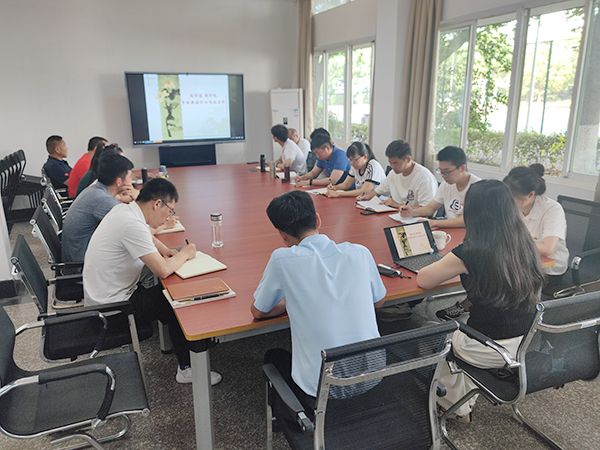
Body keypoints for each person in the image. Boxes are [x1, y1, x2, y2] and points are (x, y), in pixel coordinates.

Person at [417, 180, 544, 419]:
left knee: (426, 330)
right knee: (465, 327)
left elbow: (424, 279)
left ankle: (454, 403)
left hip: (490, 346)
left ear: (473, 213)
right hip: (528, 341)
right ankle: (465, 388)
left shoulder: (471, 250)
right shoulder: (525, 244)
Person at [83, 178, 222, 385]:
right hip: (112, 311)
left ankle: (192, 345)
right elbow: (163, 270)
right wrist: (185, 253)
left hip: (103, 299)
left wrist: (166, 251)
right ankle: (188, 368)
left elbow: (148, 236)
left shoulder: (125, 211)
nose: (169, 218)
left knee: (166, 296)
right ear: (157, 204)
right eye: (170, 211)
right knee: (179, 301)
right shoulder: (131, 223)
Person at [251, 190, 386, 402]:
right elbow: (379, 301)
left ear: (283, 234)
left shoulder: (282, 260)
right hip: (374, 376)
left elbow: (259, 311)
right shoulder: (359, 252)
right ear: (317, 219)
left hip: (322, 390)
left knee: (273, 356)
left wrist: (291, 302)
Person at [62, 152, 135, 264]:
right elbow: (133, 226)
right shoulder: (102, 200)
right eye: (130, 176)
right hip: (82, 262)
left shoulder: (95, 189)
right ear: (119, 181)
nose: (131, 181)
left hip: (78, 253)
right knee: (140, 256)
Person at [503, 164, 569, 289]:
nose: (508, 202)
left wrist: (511, 242)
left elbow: (547, 248)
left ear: (530, 195)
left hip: (547, 270)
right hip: (518, 262)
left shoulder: (552, 209)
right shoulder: (509, 205)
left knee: (502, 283)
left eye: (513, 198)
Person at [399, 146, 480, 228]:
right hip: (450, 229)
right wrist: (412, 212)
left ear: (462, 168)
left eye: (447, 172)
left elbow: (466, 220)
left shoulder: (478, 188)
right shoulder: (446, 184)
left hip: (469, 232)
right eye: (441, 171)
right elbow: (431, 208)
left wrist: (434, 223)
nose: (443, 176)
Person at [358, 139, 437, 208]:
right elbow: (378, 191)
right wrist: (366, 197)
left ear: (408, 159)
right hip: (396, 215)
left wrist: (397, 205)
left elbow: (426, 210)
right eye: (390, 162)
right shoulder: (393, 174)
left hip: (416, 218)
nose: (392, 166)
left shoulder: (424, 177)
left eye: (396, 163)